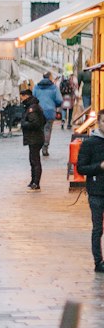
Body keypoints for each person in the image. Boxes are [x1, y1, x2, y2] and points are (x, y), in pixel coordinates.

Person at [75, 117, 104, 273]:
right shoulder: (89, 143)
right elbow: (81, 168)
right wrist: (99, 167)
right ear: (99, 122)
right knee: (98, 228)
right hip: (96, 191)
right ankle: (98, 262)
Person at [32, 71, 63, 156]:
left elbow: (32, 99)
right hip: (50, 111)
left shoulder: (36, 87)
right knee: (47, 129)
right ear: (49, 77)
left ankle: (37, 147)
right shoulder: (54, 88)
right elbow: (59, 100)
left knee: (39, 130)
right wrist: (54, 105)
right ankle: (45, 147)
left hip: (38, 112)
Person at [20, 92, 46, 190]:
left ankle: (36, 182)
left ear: (26, 96)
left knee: (35, 160)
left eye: (21, 97)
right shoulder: (33, 106)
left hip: (35, 138)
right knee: (33, 160)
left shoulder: (32, 108)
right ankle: (33, 181)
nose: (20, 99)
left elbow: (35, 123)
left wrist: (23, 123)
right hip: (35, 137)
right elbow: (43, 120)